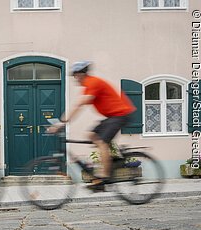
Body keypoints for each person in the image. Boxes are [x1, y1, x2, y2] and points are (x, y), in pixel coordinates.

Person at [49, 61, 136, 190]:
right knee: (91, 135)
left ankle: (103, 177)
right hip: (112, 116)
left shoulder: (93, 83)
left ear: (82, 74)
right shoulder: (89, 85)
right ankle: (108, 162)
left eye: (76, 75)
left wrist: (62, 122)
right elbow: (81, 104)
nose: (75, 78)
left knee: (101, 142)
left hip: (121, 114)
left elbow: (79, 105)